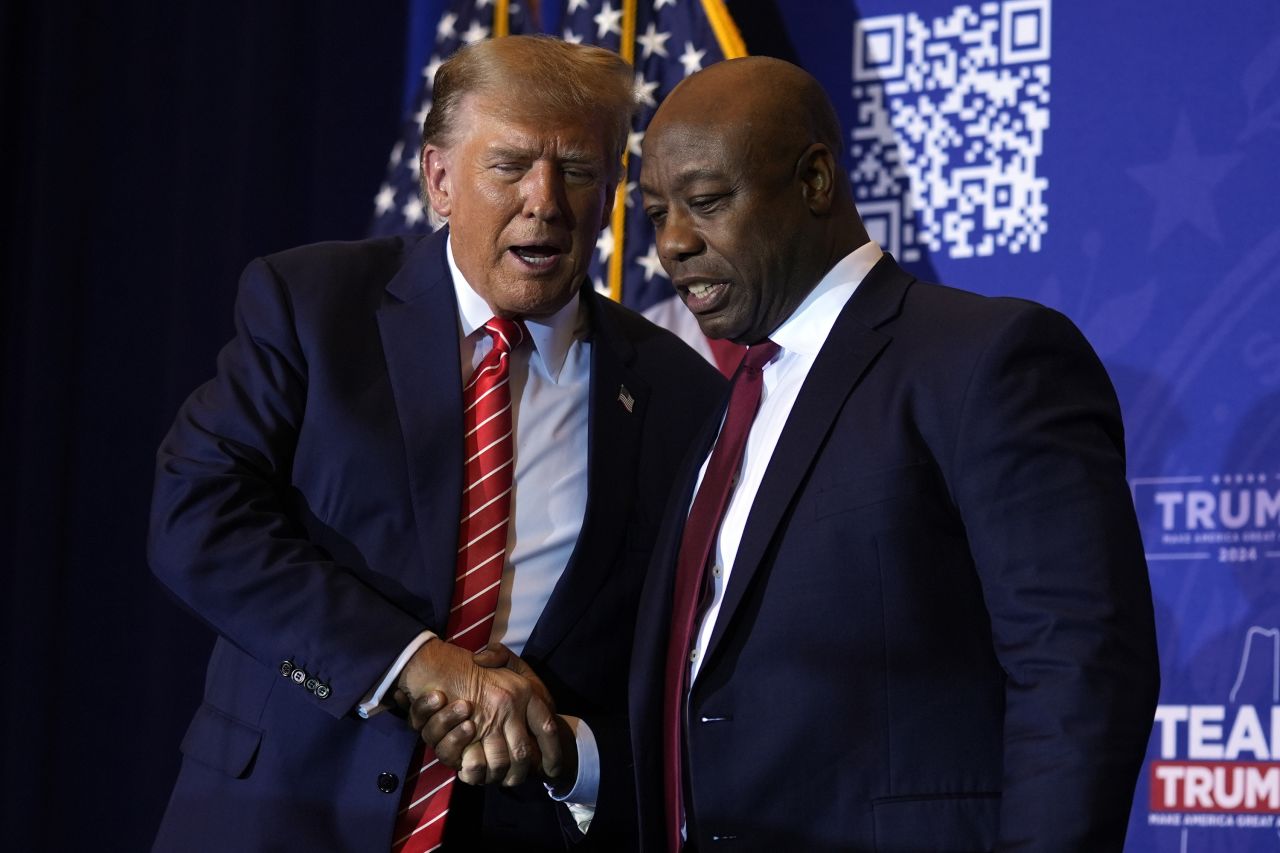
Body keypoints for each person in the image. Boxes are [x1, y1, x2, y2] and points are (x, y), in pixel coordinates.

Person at [147, 35, 724, 852]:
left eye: (579, 170)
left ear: (613, 191)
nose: (546, 201)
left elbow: (682, 668)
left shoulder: (681, 394)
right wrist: (413, 662)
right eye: (510, 165)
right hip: (279, 813)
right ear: (439, 179)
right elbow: (196, 517)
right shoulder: (313, 307)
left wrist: (573, 754)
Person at [627, 56, 1161, 851]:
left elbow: (1076, 670)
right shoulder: (723, 411)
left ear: (814, 182)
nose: (672, 242)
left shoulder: (984, 359)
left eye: (705, 202)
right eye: (656, 213)